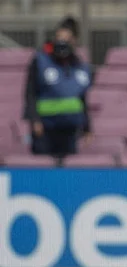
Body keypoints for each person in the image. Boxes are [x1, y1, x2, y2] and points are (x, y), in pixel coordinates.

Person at [24, 16, 92, 160]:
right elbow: (30, 93)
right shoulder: (41, 61)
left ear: (74, 41)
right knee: (43, 167)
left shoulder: (79, 67)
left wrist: (87, 127)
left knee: (67, 168)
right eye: (59, 38)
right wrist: (34, 120)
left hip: (70, 129)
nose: (62, 42)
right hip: (45, 127)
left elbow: (82, 99)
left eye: (67, 39)